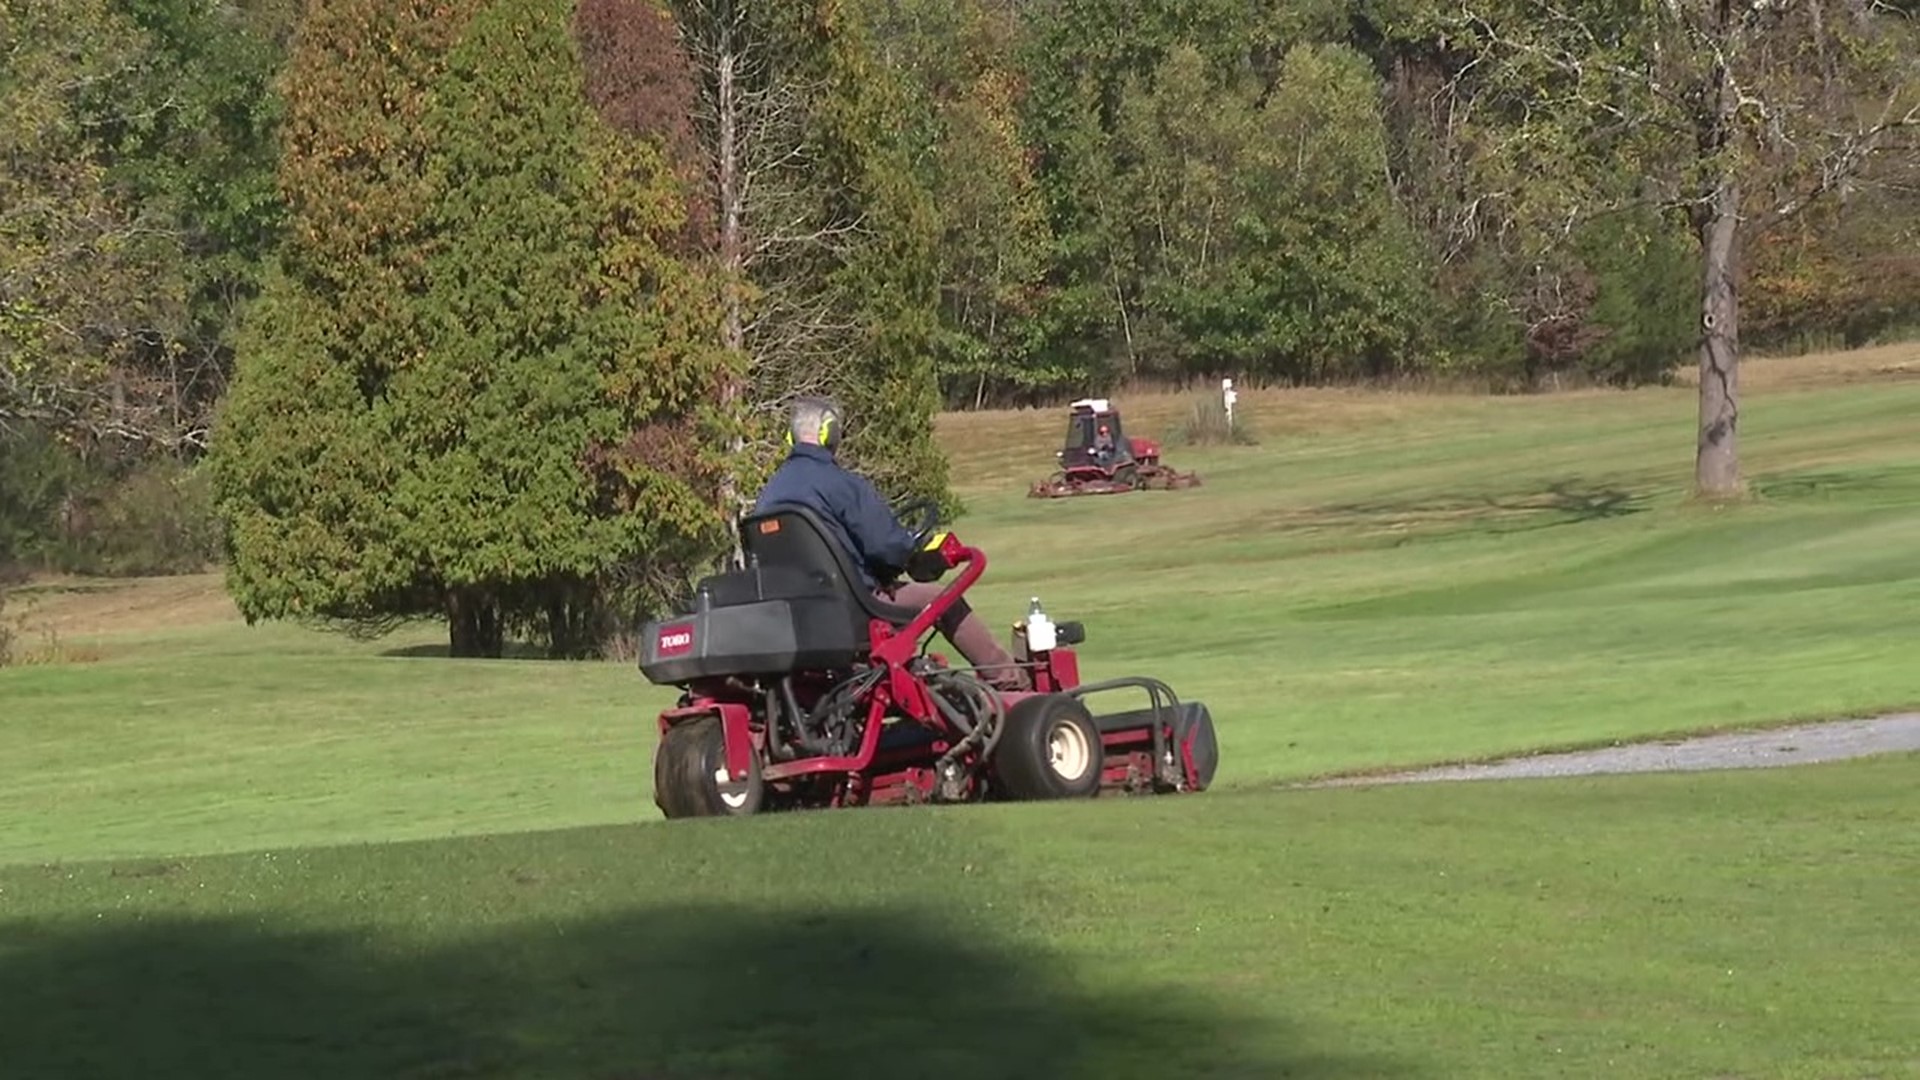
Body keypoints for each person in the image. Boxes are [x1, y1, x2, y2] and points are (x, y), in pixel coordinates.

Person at [752, 396, 1032, 692]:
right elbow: (887, 548)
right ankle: (1012, 683)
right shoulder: (841, 484)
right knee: (944, 599)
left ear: (790, 437)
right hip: (856, 607)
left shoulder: (769, 495)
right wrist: (908, 548)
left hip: (797, 614)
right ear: (829, 433)